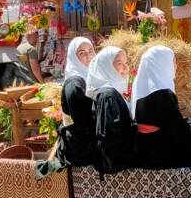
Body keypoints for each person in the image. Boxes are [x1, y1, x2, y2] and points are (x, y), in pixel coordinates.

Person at [130, 46, 191, 169]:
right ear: (162, 64)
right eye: (173, 62)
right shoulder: (162, 94)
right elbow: (180, 131)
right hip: (161, 154)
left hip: (147, 149)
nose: (175, 66)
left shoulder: (141, 91)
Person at [87, 46, 137, 173]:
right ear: (106, 66)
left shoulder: (112, 89)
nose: (125, 68)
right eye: (119, 63)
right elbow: (110, 135)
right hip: (117, 163)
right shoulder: (108, 94)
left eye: (125, 64)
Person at [55, 37, 97, 167]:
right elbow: (83, 123)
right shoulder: (75, 84)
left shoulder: (90, 76)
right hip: (81, 148)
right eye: (82, 53)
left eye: (91, 51)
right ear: (73, 57)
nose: (88, 56)